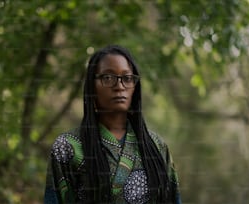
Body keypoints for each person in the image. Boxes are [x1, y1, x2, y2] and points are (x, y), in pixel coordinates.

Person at [44, 45, 181, 203]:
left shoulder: (157, 147)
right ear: (91, 86)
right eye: (108, 78)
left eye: (127, 78)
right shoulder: (67, 147)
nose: (119, 86)